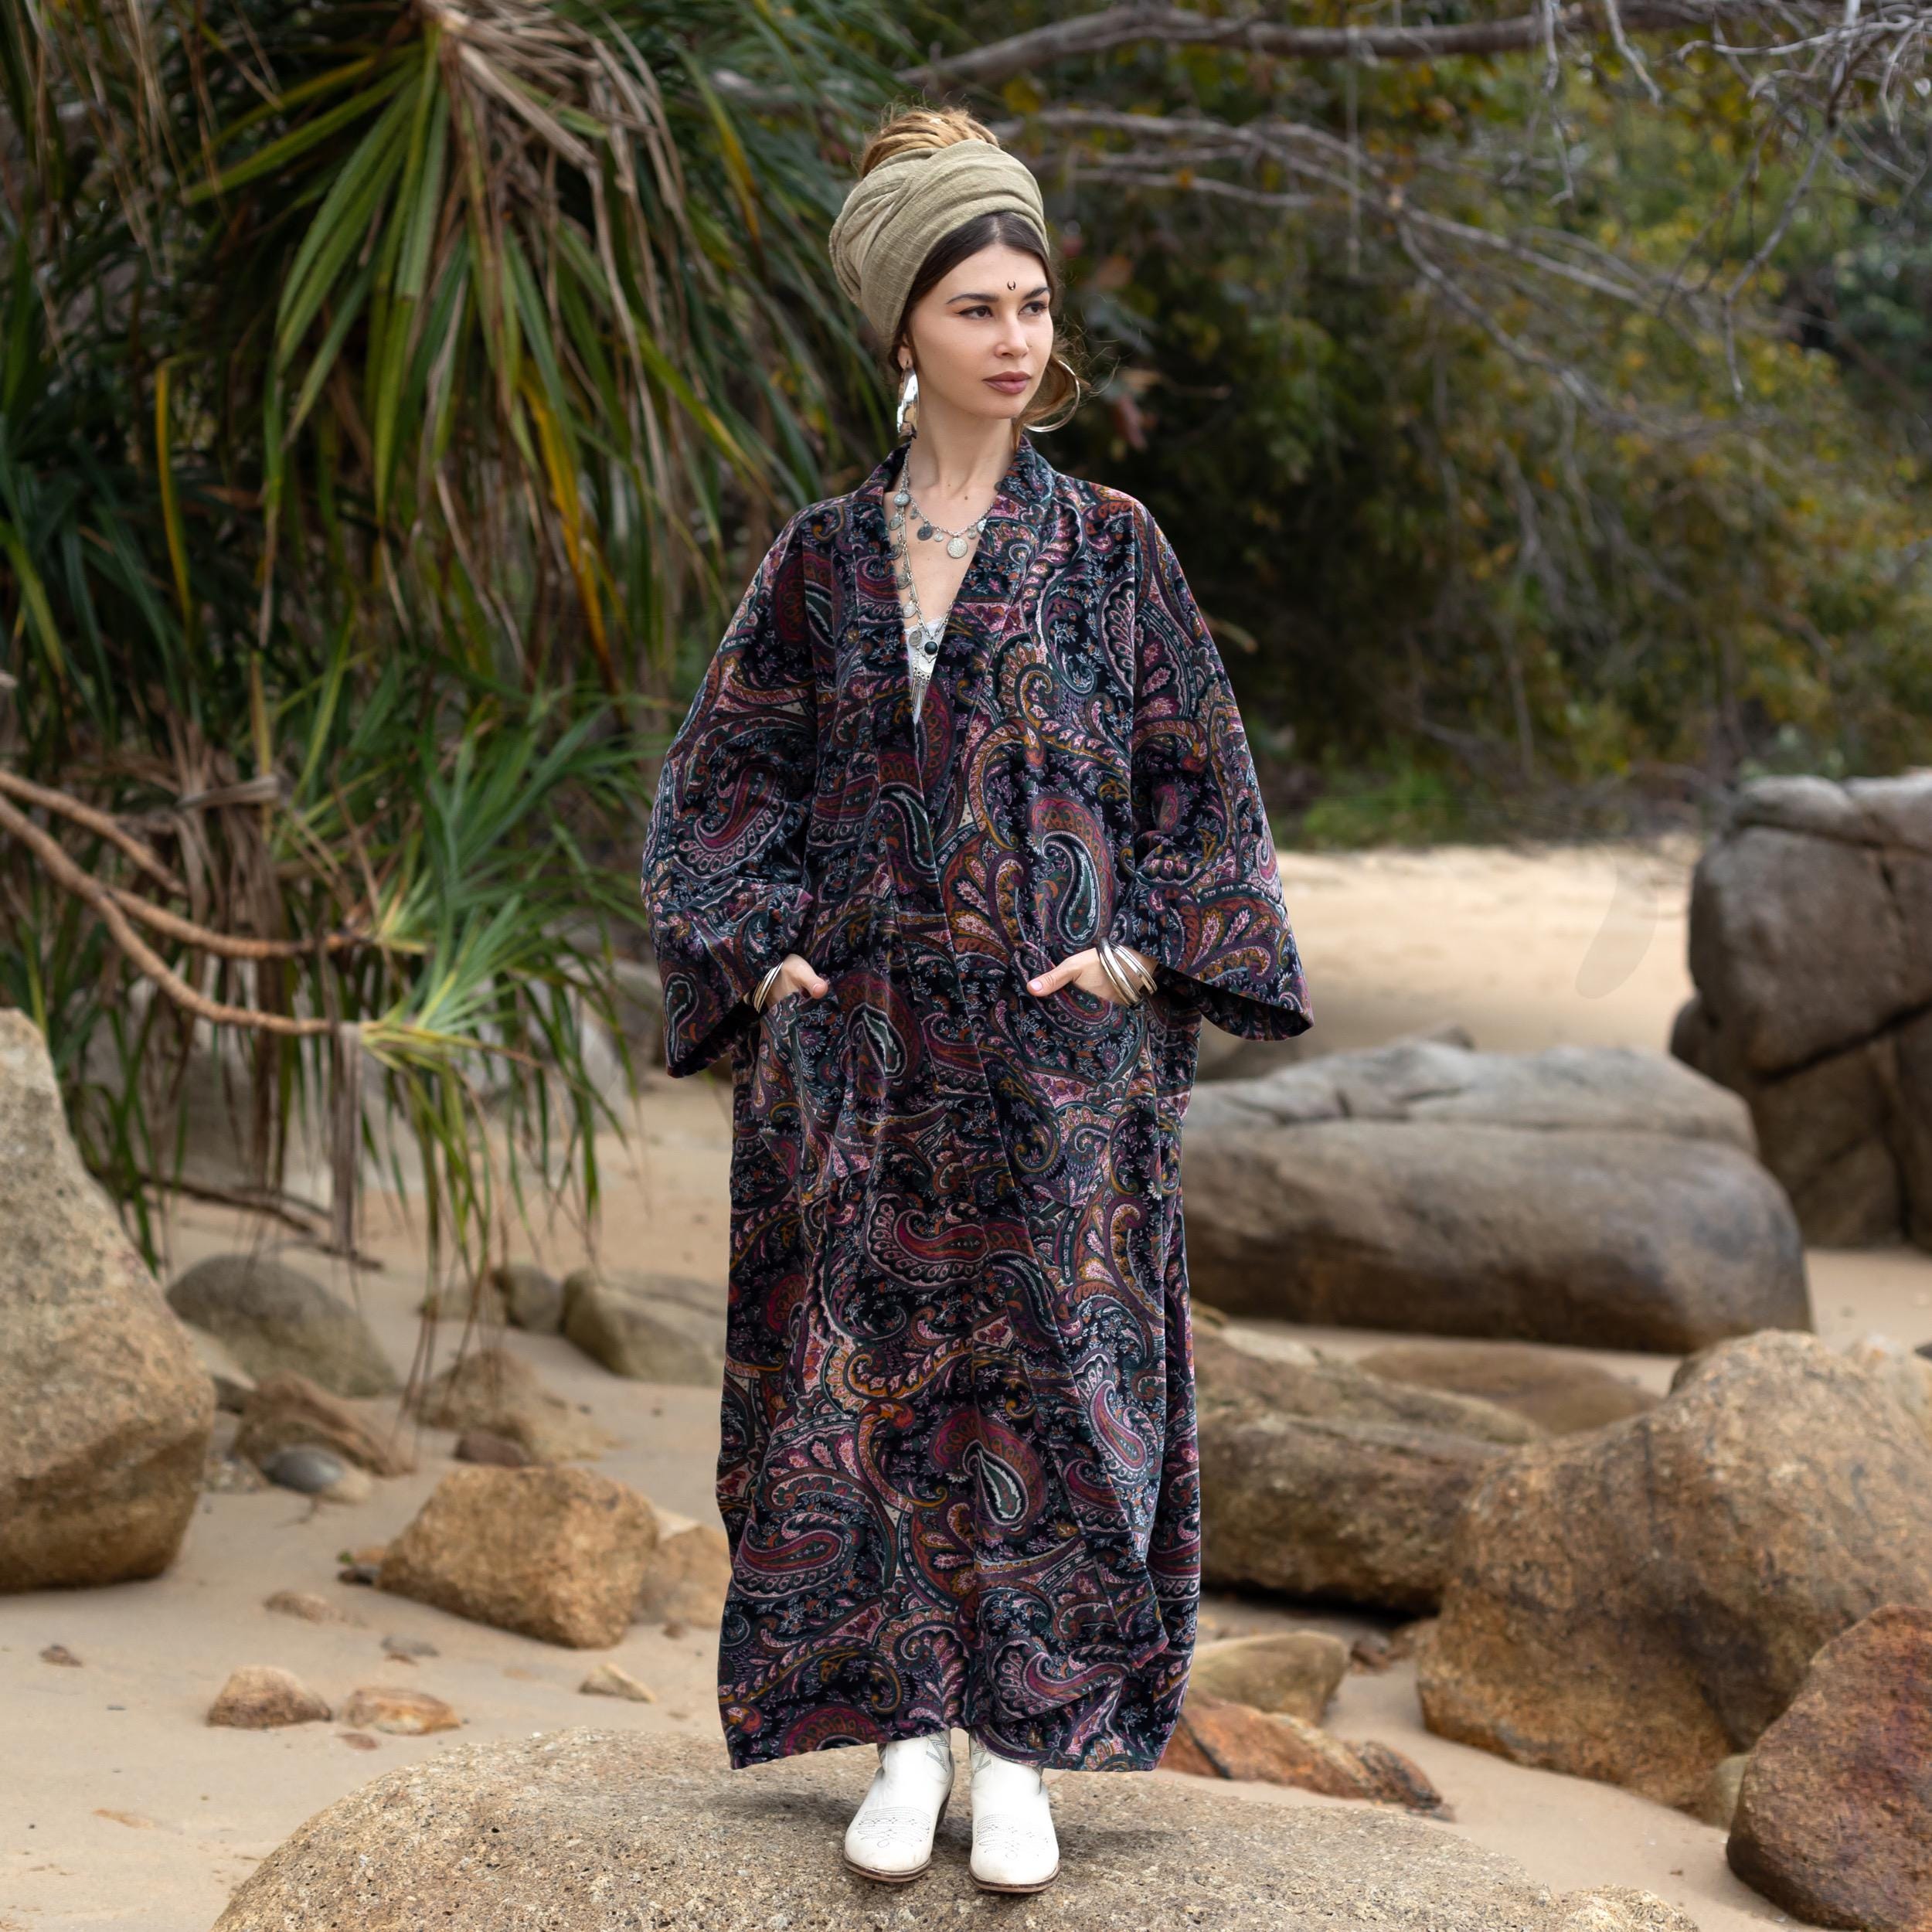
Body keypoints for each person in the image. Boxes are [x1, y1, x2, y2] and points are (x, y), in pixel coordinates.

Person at [639, 104, 1311, 1896]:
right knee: (854, 1377)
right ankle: (902, 1732)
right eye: (975, 308)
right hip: (860, 1060)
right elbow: (719, 791)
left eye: (1031, 302)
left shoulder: (1111, 548)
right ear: (902, 330)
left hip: (1057, 1063)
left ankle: (1020, 1747)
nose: (1016, 338)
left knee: (1057, 1384)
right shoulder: (815, 561)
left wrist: (1140, 956)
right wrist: (764, 952)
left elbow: (1201, 788)